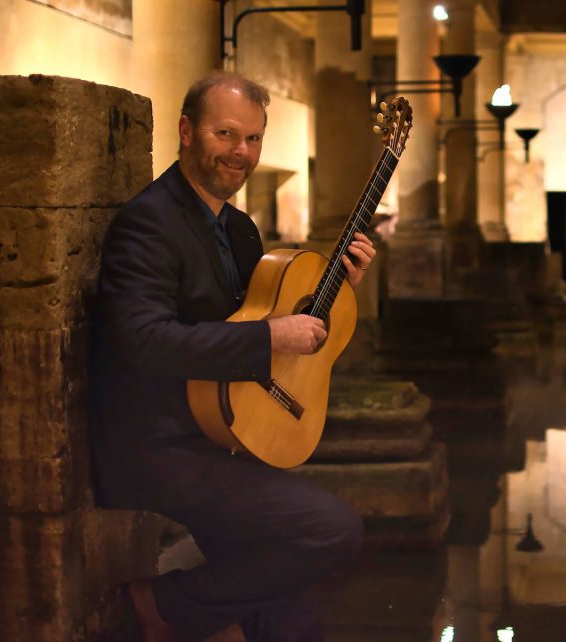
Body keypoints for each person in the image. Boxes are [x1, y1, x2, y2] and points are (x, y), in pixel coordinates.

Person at [89, 71, 375, 642]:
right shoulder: (149, 222)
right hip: (156, 445)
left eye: (252, 139)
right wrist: (273, 338)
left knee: (290, 615)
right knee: (331, 528)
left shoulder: (239, 229)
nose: (240, 152)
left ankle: (209, 618)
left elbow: (263, 315)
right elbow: (144, 342)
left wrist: (340, 289)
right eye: (225, 134)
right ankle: (163, 604)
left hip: (221, 432)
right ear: (186, 131)